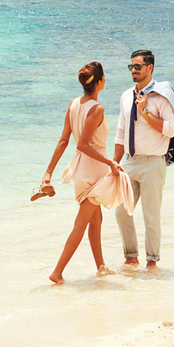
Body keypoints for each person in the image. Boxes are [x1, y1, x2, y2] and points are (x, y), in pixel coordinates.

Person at [35, 62, 135, 284]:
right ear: (99, 82)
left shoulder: (73, 105)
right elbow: (83, 144)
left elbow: (64, 141)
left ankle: (101, 267)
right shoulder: (96, 109)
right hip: (94, 172)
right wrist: (110, 163)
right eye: (104, 77)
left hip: (82, 169)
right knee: (80, 225)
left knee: (95, 220)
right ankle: (57, 272)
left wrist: (48, 172)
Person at [113, 49, 174, 268]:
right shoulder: (125, 96)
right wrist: (115, 163)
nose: (134, 70)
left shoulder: (161, 96)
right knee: (121, 211)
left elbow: (171, 129)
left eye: (138, 66)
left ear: (150, 68)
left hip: (153, 162)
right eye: (131, 66)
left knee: (151, 215)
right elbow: (121, 132)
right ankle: (131, 257)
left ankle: (152, 262)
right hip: (129, 162)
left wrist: (145, 112)